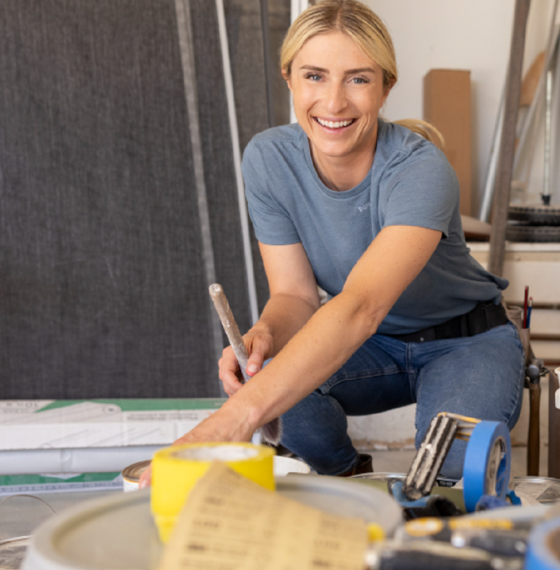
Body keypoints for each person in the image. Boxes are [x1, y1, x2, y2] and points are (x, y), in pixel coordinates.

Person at [150, 0, 524, 480]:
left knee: (450, 480)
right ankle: (347, 482)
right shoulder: (268, 160)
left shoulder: (420, 168)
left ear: (387, 87)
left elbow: (360, 307)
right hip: (374, 347)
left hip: (464, 341)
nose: (333, 103)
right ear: (288, 77)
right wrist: (264, 334)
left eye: (358, 78)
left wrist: (233, 418)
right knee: (272, 385)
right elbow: (295, 295)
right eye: (314, 76)